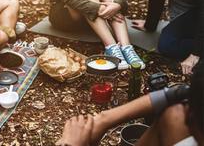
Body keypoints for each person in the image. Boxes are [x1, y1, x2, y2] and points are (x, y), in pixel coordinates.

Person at [57, 61, 204, 146]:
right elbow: (182, 93)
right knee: (174, 116)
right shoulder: (183, 115)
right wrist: (104, 119)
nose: (185, 110)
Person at [49, 0, 145, 70]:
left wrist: (117, 4)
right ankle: (111, 47)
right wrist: (96, 8)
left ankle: (126, 47)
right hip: (66, 15)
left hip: (95, 17)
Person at [131, 0, 203, 75]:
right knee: (167, 45)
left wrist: (195, 54)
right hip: (186, 14)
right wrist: (150, 25)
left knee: (169, 44)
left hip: (198, 10)